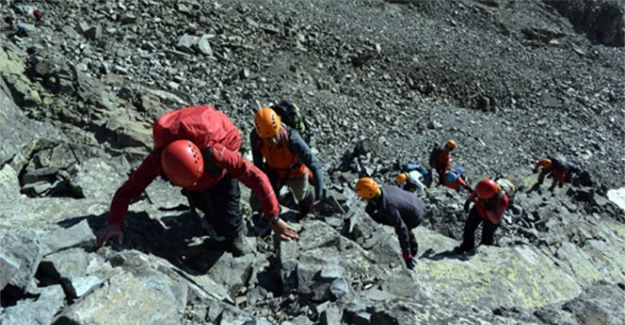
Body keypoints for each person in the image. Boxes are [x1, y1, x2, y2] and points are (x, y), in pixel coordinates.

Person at [95, 105, 299, 256]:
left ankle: (237, 235)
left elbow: (257, 176)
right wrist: (114, 223)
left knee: (228, 209)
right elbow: (126, 192)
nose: (192, 185)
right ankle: (213, 224)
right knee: (203, 205)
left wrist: (274, 218)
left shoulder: (218, 154)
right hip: (197, 174)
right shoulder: (158, 161)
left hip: (219, 174)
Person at [249, 107, 325, 216]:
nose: (273, 141)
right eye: (268, 138)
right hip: (273, 171)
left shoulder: (292, 138)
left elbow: (315, 166)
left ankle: (306, 207)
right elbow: (258, 164)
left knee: (303, 198)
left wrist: (319, 197)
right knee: (259, 201)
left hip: (296, 173)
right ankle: (269, 217)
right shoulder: (256, 137)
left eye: (275, 135)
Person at [356, 177, 424, 270]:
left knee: (400, 224)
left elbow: (402, 229)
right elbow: (372, 204)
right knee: (384, 216)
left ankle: (412, 249)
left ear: (369, 194)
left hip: (416, 215)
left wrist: (406, 254)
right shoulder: (382, 189)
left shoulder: (388, 206)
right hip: (414, 200)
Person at [454, 179, 509, 253]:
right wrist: (469, 201)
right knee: (469, 228)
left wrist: (488, 209)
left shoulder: (503, 200)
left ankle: (484, 252)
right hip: (477, 210)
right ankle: (467, 246)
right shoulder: (483, 187)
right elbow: (475, 192)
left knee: (487, 236)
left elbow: (495, 220)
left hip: (491, 219)